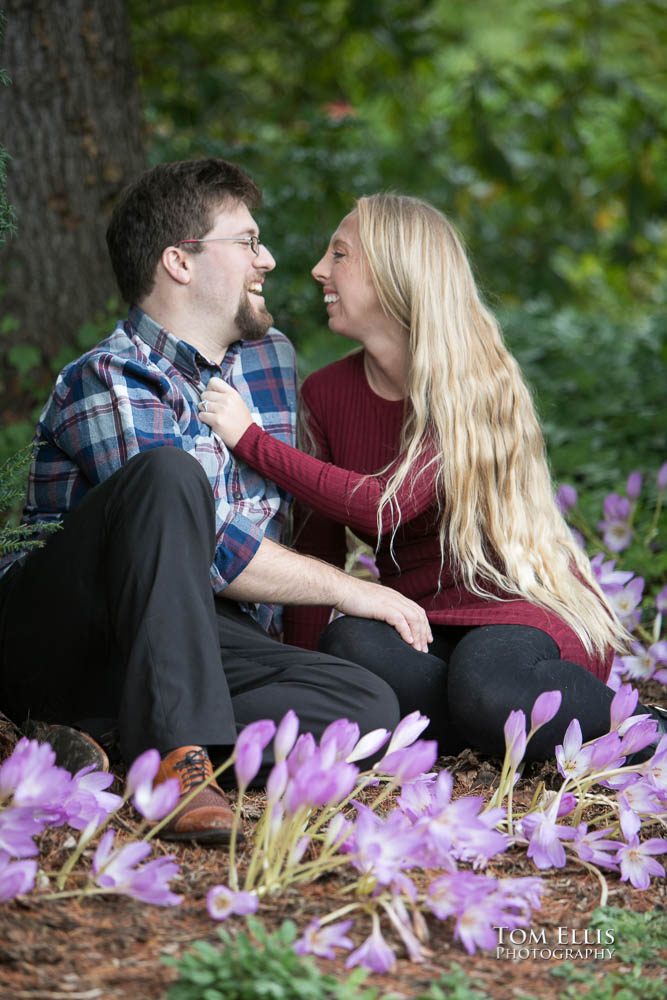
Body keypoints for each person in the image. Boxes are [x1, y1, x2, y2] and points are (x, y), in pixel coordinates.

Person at [0, 164, 435, 845]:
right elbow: (209, 554)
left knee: (363, 707)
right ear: (179, 262)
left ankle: (100, 736)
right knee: (168, 478)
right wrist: (348, 590)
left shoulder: (270, 363)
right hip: (77, 634)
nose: (268, 259)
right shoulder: (109, 377)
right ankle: (178, 766)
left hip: (199, 637)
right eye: (247, 241)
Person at [201, 192, 667, 762]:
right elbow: (316, 546)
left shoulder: (473, 382)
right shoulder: (324, 394)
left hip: (514, 609)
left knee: (485, 683)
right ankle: (486, 730)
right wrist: (307, 679)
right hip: (420, 623)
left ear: (396, 273)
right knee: (345, 643)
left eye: (340, 254)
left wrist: (251, 441)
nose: (320, 270)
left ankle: (648, 727)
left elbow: (382, 506)